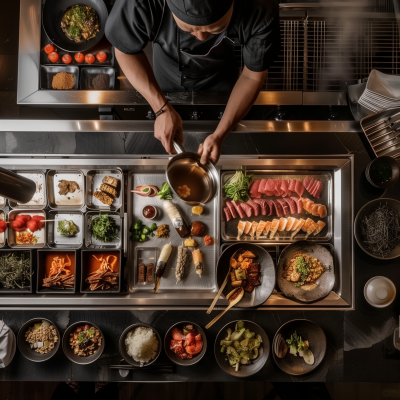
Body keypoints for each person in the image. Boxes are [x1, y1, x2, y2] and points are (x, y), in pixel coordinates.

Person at [106, 0, 280, 163]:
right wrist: (161, 108)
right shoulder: (142, 2)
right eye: (189, 30)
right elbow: (124, 49)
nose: (202, 38)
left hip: (222, 78)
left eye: (215, 29)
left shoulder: (259, 6)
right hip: (165, 73)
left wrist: (219, 134)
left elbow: (252, 75)